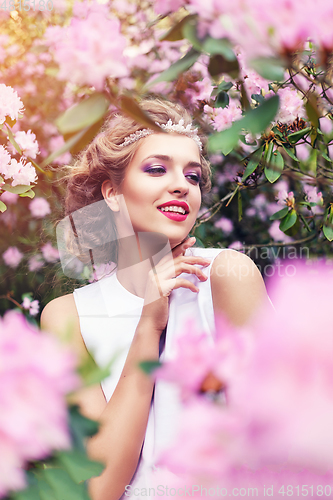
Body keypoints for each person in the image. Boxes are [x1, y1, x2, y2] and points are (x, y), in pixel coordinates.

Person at [41, 99, 269, 500]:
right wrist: (148, 324)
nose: (182, 184)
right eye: (157, 168)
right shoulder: (68, 317)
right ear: (112, 193)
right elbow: (99, 488)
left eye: (193, 175)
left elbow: (278, 444)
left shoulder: (226, 277)